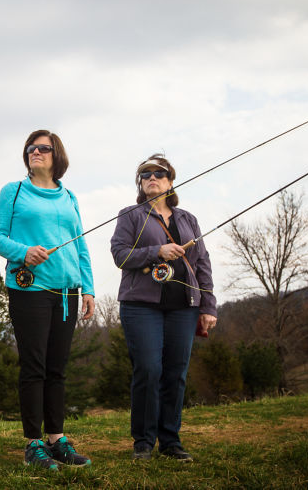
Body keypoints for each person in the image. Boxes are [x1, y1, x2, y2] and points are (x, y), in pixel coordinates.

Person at [0, 130, 95, 470]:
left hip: (67, 293)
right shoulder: (13, 192)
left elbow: (80, 244)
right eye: (31, 148)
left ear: (56, 155)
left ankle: (56, 439)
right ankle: (33, 445)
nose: (36, 152)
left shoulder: (69, 197)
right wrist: (24, 252)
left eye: (44, 148)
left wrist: (87, 287)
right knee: (34, 368)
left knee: (56, 369)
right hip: (29, 289)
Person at [109, 154, 217, 462]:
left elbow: (203, 264)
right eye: (145, 174)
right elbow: (120, 255)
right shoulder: (130, 215)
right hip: (141, 305)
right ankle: (143, 441)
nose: (152, 177)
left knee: (175, 372)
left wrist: (208, 306)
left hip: (184, 306)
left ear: (170, 182)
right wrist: (157, 250)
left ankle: (170, 441)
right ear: (140, 184)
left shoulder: (188, 219)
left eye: (160, 173)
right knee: (148, 368)